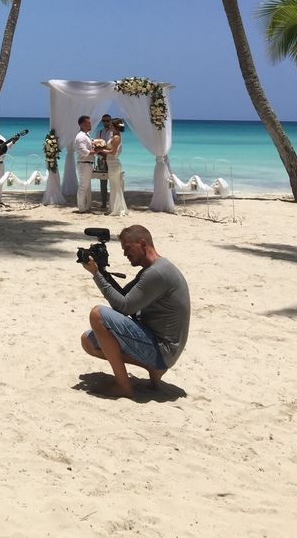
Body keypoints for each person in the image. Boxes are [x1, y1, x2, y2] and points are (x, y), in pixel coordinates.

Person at [80, 224, 190, 399]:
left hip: (163, 349)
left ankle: (124, 386)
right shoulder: (154, 268)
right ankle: (152, 368)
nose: (125, 254)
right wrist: (102, 272)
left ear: (143, 244)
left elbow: (124, 307)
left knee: (97, 315)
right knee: (88, 341)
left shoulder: (157, 273)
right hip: (159, 344)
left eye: (128, 248)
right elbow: (124, 297)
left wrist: (96, 274)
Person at [101, 118, 128, 217]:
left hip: (114, 164)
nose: (109, 126)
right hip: (111, 163)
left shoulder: (116, 137)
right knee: (114, 186)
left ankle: (116, 209)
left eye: (111, 125)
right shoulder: (114, 136)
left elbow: (113, 152)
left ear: (114, 126)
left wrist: (101, 150)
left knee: (115, 186)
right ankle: (114, 208)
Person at [74, 115, 94, 213]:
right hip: (84, 163)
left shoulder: (86, 135)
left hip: (87, 163)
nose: (90, 125)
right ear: (82, 125)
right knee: (83, 186)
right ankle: (81, 208)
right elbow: (84, 152)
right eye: (88, 123)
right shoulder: (81, 137)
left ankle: (83, 206)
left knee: (84, 186)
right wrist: (98, 151)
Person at [96, 114, 114, 210]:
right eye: (104, 120)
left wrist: (108, 155)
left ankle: (113, 203)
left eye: (107, 120)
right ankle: (103, 203)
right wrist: (101, 156)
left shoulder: (114, 133)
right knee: (103, 182)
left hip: (111, 159)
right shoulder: (99, 132)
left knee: (113, 181)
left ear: (110, 121)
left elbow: (116, 148)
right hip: (101, 159)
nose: (105, 122)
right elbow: (95, 147)